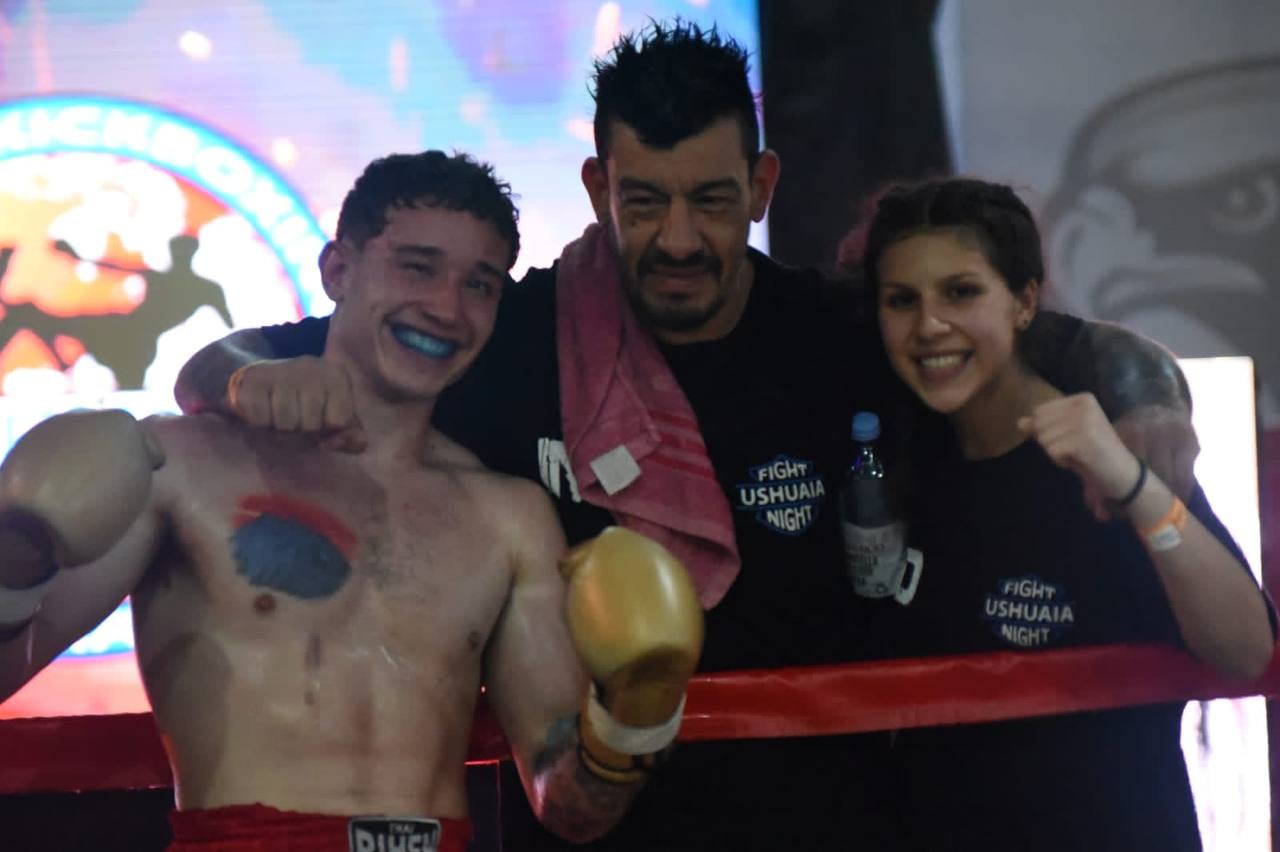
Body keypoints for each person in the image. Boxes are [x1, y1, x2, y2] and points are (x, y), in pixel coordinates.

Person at [172, 22, 1203, 852]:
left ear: (761, 187)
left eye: (712, 202)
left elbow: (1078, 344)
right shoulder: (502, 331)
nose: (676, 238)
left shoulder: (843, 329)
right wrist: (251, 380)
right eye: (644, 201)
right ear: (595, 191)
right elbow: (229, 359)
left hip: (831, 825)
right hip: (585, 819)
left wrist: (1152, 400)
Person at [0, 151, 705, 852]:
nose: (447, 308)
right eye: (418, 266)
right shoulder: (182, 466)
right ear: (338, 270)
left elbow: (572, 808)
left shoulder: (508, 518)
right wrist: (18, 554)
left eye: (480, 285)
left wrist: (639, 711)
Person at [854, 176, 1275, 851]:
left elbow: (1247, 649)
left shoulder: (1107, 450)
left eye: (961, 292)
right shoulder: (904, 457)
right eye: (902, 300)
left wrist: (1135, 487)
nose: (929, 324)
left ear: (1024, 303)